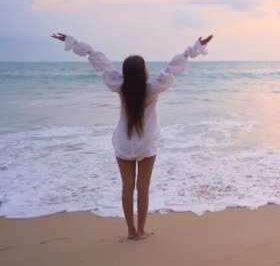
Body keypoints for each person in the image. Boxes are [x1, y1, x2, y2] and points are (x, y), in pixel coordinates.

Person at [50, 32, 214, 240]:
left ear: (126, 73)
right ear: (144, 70)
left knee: (127, 187)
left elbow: (99, 60)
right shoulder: (153, 88)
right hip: (146, 144)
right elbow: (174, 66)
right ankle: (141, 231)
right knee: (143, 188)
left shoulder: (121, 86)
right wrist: (194, 48)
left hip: (124, 143)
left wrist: (71, 42)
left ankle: (130, 231)